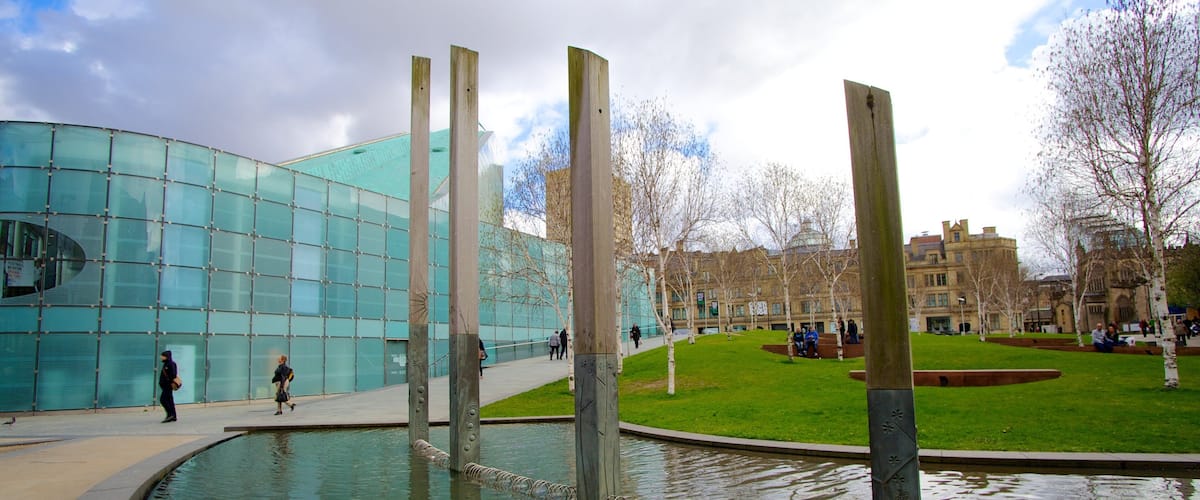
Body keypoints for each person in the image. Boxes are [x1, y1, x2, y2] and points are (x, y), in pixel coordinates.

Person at [158, 350, 178, 423]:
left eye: (163, 356)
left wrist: (169, 381)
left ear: (166, 357)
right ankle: (173, 416)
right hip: (165, 386)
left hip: (168, 386)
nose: (161, 357)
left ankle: (170, 414)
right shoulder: (166, 364)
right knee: (169, 400)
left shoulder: (171, 364)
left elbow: (173, 375)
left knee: (163, 400)